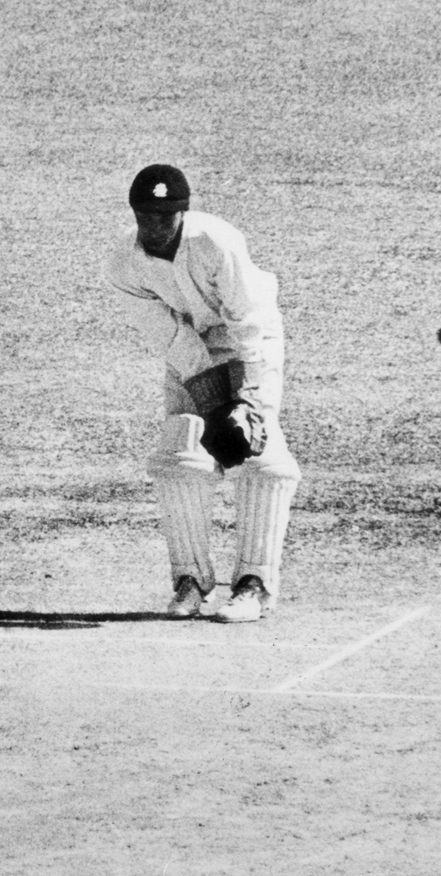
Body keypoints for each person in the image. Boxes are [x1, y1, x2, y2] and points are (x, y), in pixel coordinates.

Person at [108, 164, 301, 623]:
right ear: (134, 212)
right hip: (189, 346)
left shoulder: (216, 241)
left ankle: (254, 585)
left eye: (165, 215)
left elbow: (247, 321)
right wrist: (213, 402)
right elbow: (172, 337)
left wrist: (245, 399)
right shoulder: (122, 263)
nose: (155, 225)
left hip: (249, 340)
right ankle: (190, 582)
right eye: (146, 215)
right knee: (181, 455)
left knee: (260, 454)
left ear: (184, 212)